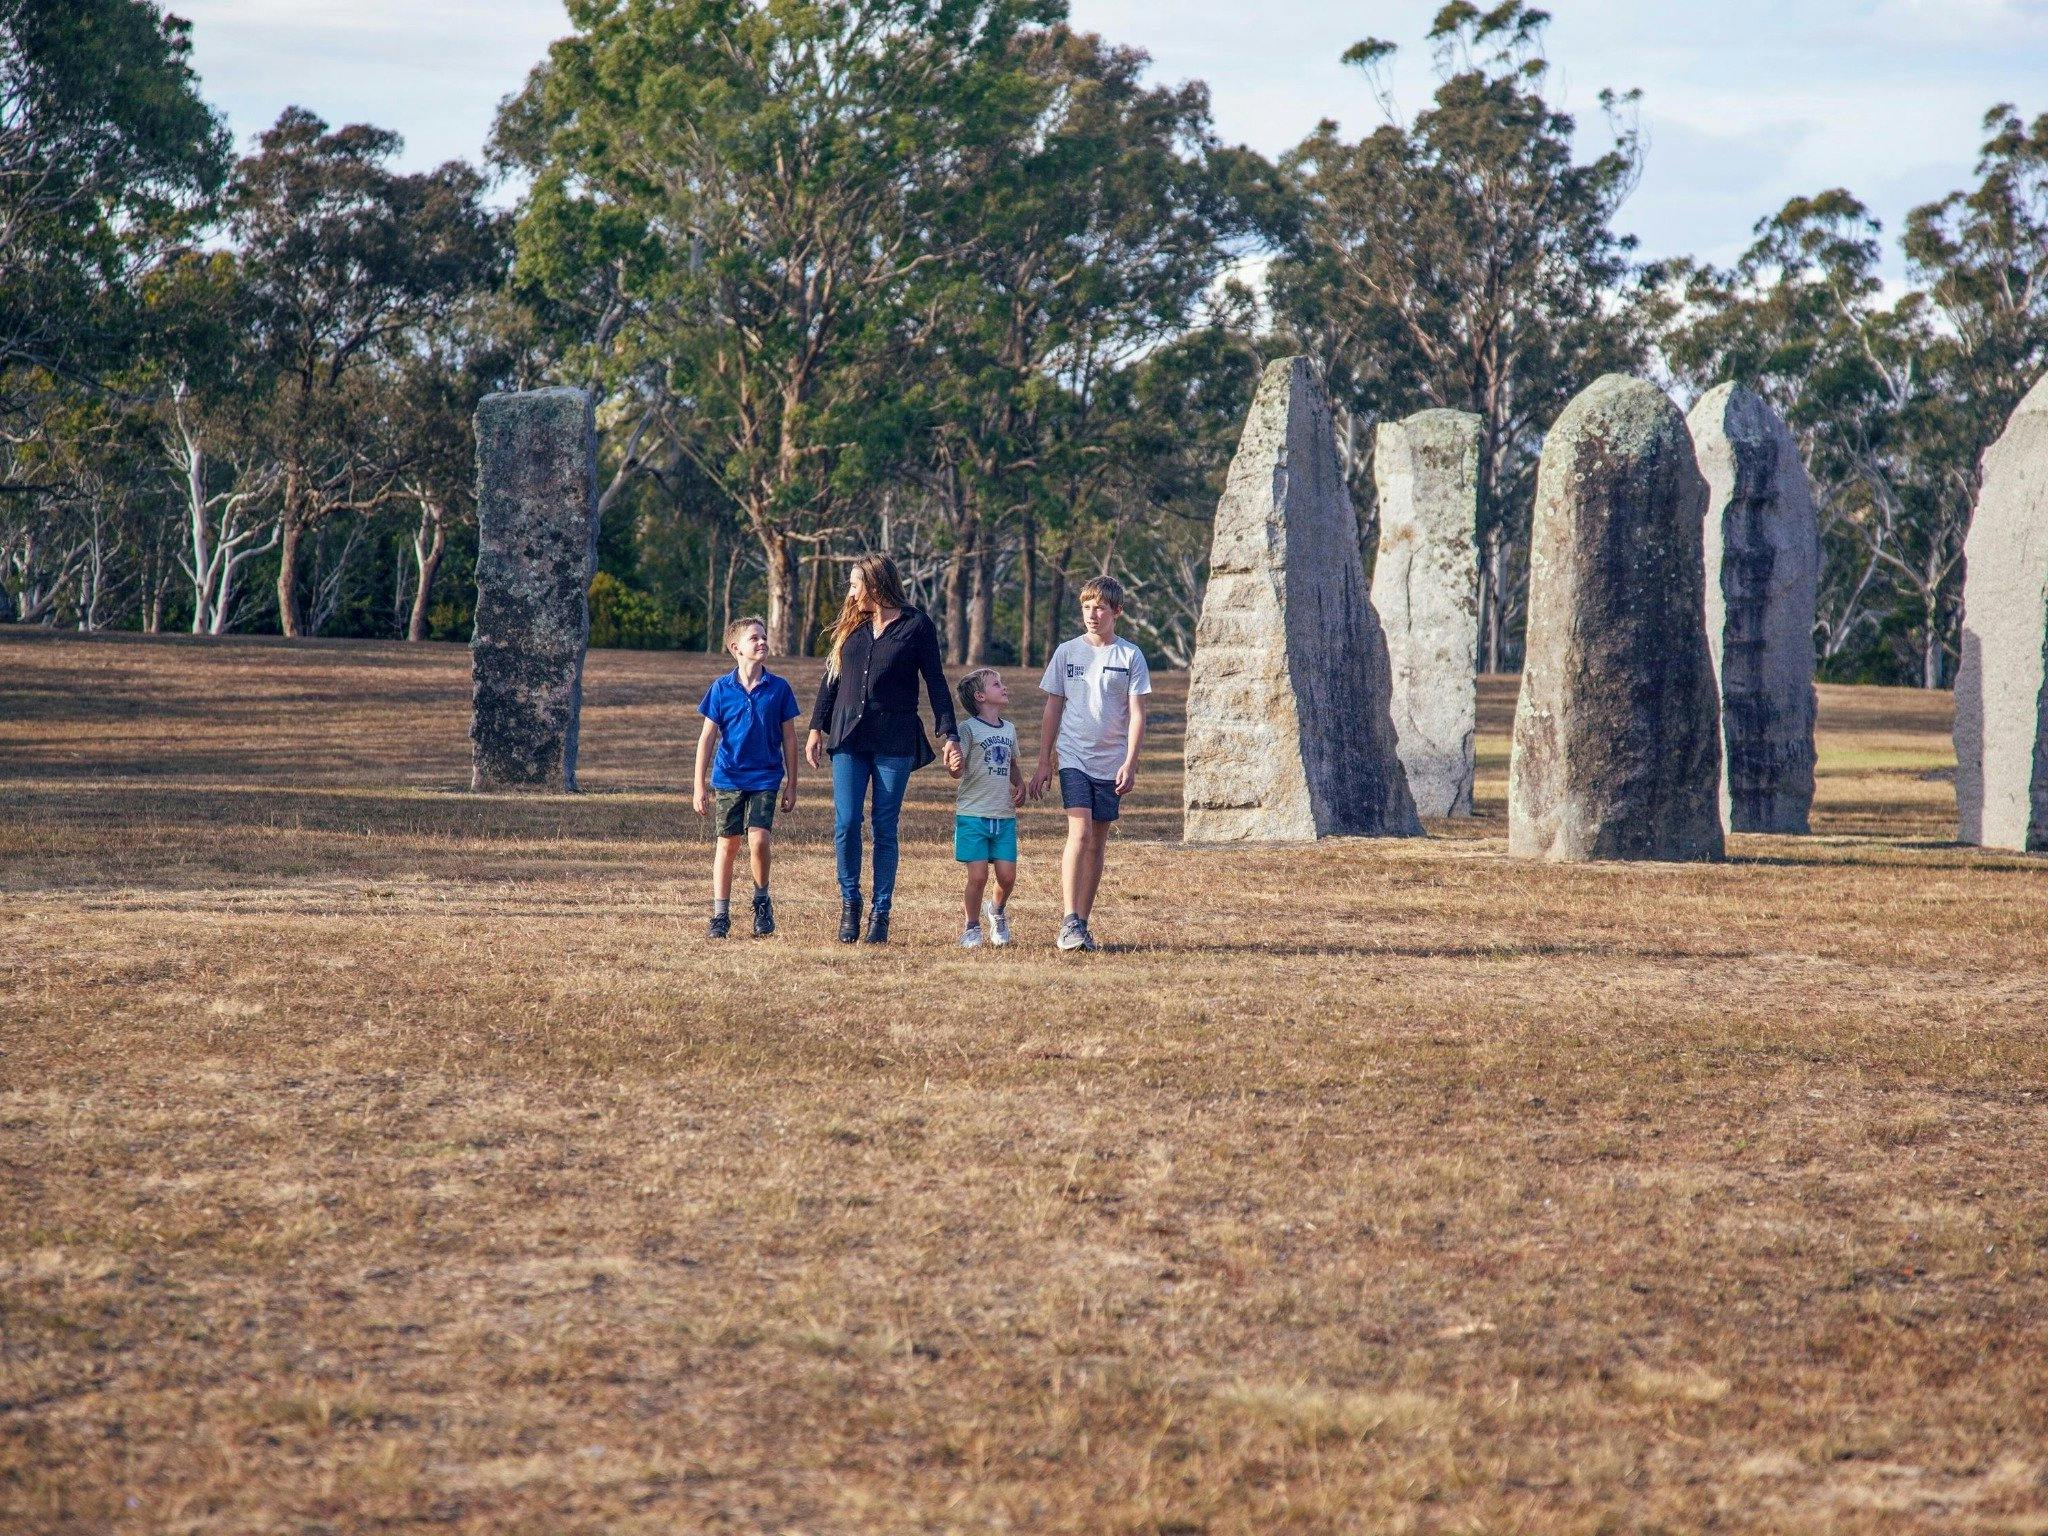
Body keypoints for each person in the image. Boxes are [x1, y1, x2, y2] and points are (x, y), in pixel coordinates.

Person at [806, 554, 960, 944]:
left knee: (884, 826)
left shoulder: (916, 625)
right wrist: (815, 728)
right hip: (847, 736)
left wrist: (950, 734)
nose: (852, 592)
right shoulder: (851, 624)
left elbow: (936, 681)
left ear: (876, 585)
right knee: (846, 824)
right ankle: (850, 904)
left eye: (856, 584)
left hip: (894, 737)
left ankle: (881, 912)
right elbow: (832, 677)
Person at [1026, 576, 1150, 952]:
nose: (1092, 615)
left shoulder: (1130, 656)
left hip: (1111, 762)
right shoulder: (1067, 652)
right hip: (1073, 756)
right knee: (1078, 833)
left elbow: (1138, 714)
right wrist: (1044, 759)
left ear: (1117, 611)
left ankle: (1082, 920)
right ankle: (1067, 918)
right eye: (1086, 607)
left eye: (1099, 607)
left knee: (1097, 841)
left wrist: (1130, 762)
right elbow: (1053, 707)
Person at [693, 615, 800, 938]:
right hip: (728, 778)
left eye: (764, 636)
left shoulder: (779, 688)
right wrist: (699, 785)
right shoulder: (721, 689)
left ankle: (761, 900)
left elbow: (790, 739)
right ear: (736, 648)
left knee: (759, 840)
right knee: (727, 844)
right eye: (754, 638)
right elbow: (707, 737)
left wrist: (792, 784)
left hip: (766, 777)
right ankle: (720, 914)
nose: (762, 642)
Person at [948, 666, 1023, 948]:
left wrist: (1020, 785)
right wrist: (953, 767)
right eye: (996, 684)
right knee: (978, 876)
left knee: (1007, 876)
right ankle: (971, 927)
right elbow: (958, 768)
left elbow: (1012, 765)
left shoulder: (1010, 729)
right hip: (972, 814)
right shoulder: (967, 729)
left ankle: (997, 911)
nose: (1003, 687)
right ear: (980, 696)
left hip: (1003, 816)